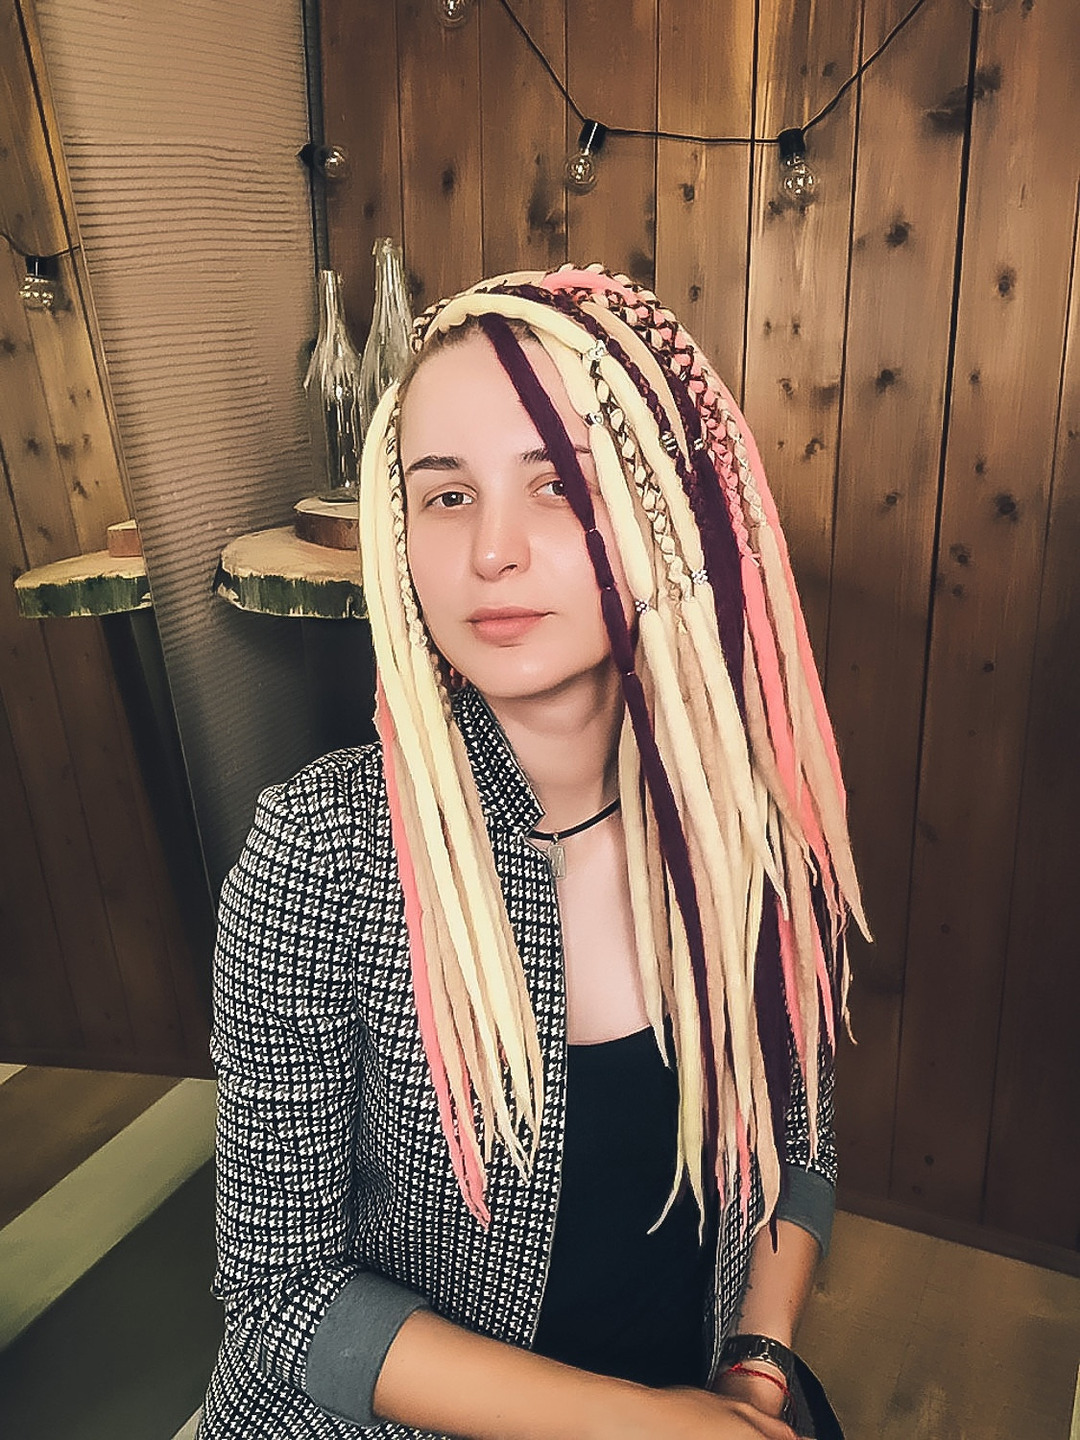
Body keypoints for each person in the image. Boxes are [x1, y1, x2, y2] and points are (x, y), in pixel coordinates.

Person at [198, 265, 867, 1440]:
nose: (492, 552)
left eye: (558, 482)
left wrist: (754, 1373)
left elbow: (797, 1134)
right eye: (447, 496)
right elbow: (281, 1301)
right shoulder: (322, 855)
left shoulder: (747, 824)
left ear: (668, 510)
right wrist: (652, 1428)